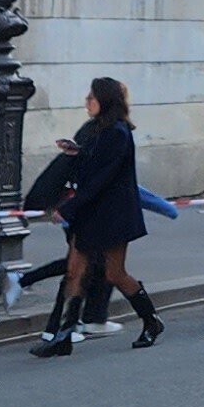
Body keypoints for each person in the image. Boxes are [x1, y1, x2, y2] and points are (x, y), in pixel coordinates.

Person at [32, 75, 159, 354]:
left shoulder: (118, 132)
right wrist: (75, 153)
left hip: (111, 215)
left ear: (105, 100)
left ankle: (151, 321)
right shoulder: (98, 129)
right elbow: (93, 165)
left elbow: (102, 179)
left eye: (91, 97)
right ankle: (63, 336)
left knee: (115, 273)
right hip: (91, 213)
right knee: (75, 271)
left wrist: (67, 208)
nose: (86, 102)